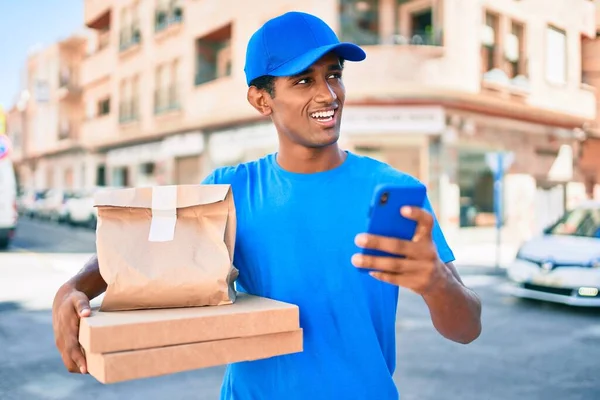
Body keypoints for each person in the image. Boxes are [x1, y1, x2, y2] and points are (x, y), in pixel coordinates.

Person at [52, 11, 482, 400]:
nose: (328, 93)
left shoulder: (392, 189)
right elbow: (145, 250)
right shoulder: (228, 190)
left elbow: (466, 329)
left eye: (334, 75)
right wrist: (73, 288)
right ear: (262, 100)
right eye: (303, 80)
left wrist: (435, 283)